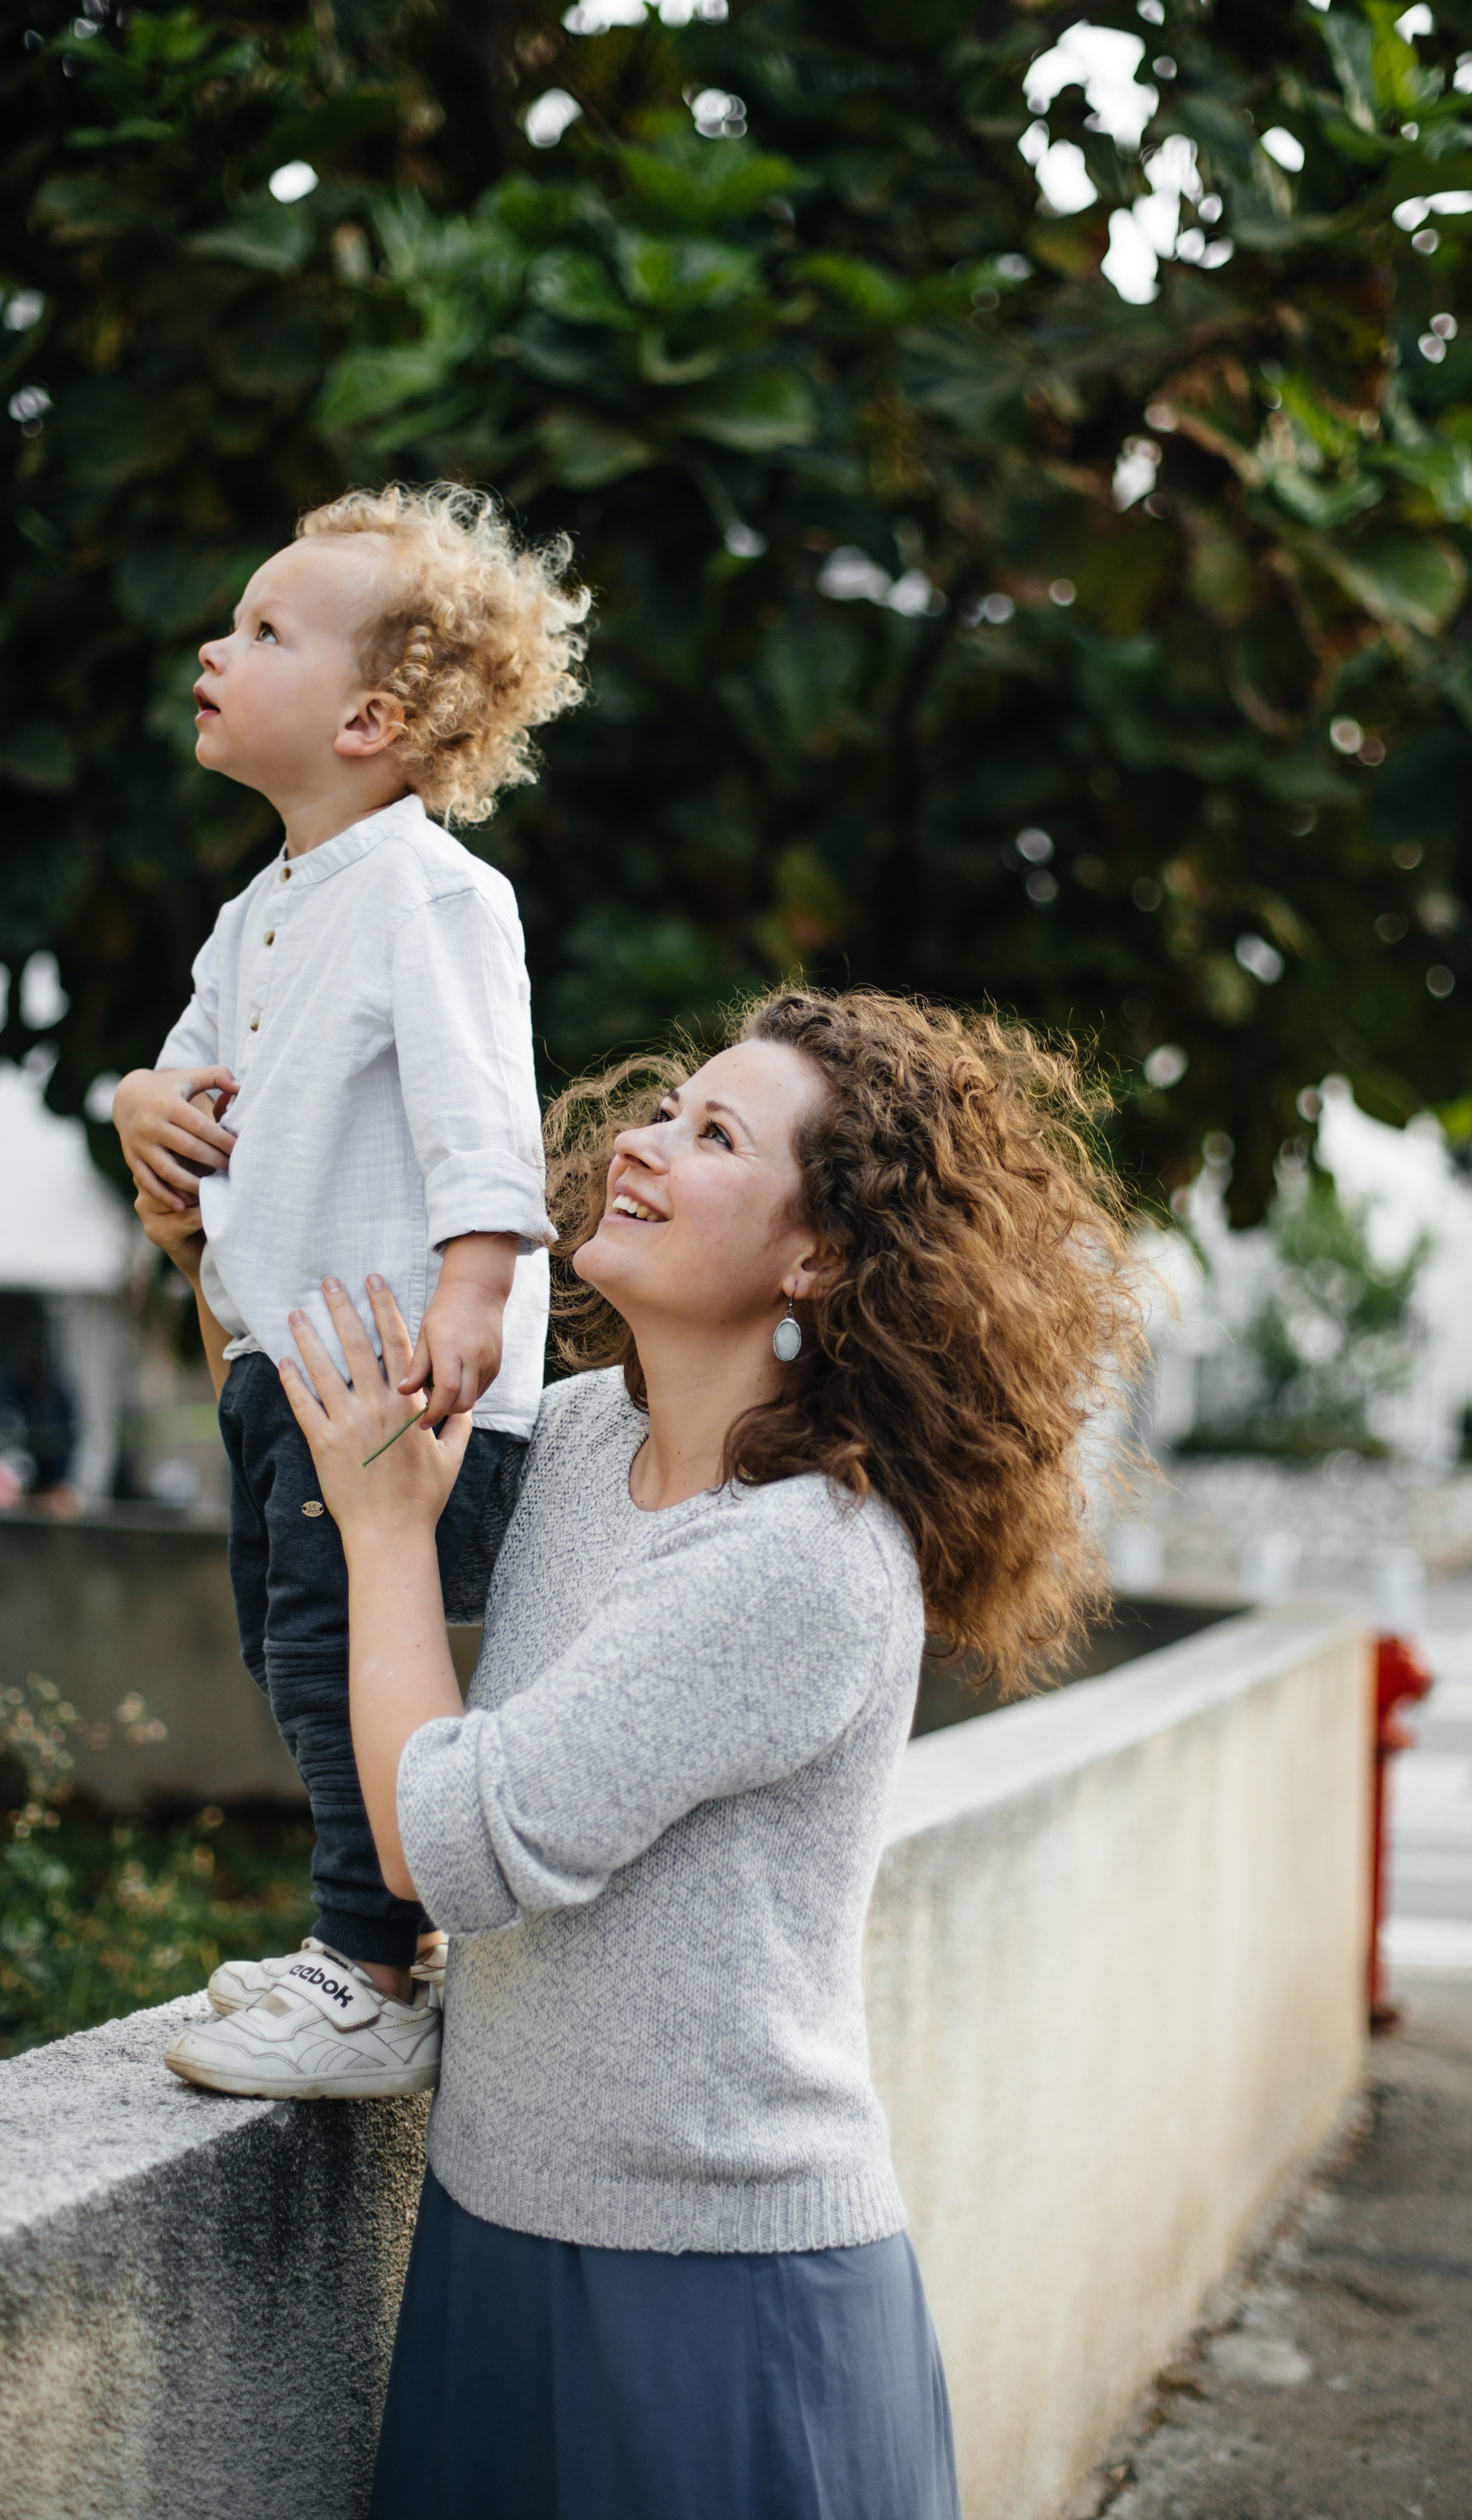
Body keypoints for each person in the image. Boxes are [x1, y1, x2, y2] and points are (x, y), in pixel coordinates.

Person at [269, 986, 1144, 2519]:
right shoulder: (593, 1435)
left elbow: (444, 1853)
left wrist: (389, 1531)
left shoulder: (799, 1558)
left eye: (713, 1134)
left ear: (818, 1255)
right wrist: (195, 1184)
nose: (640, 1142)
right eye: (664, 1107)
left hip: (715, 2305)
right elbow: (314, 1404)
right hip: (496, 2232)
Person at [112, 483, 588, 2098]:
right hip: (287, 1370)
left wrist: (472, 1300)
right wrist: (134, 1107)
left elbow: (482, 1118)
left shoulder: (428, 891)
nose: (214, 646)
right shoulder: (259, 914)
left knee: (330, 1651)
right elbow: (184, 1095)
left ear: (371, 718)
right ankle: (370, 1932)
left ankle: (367, 1974)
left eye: (261, 632)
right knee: (281, 1648)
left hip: (391, 1372)